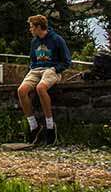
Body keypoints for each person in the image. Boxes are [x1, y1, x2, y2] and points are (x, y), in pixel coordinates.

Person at [16, 14, 72, 146]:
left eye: (32, 27)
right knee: (22, 90)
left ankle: (50, 126)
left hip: (51, 69)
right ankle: (33, 126)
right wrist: (32, 68)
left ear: (39, 27)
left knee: (41, 88)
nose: (30, 30)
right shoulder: (34, 42)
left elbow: (66, 61)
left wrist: (55, 69)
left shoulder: (57, 39)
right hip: (36, 69)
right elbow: (33, 59)